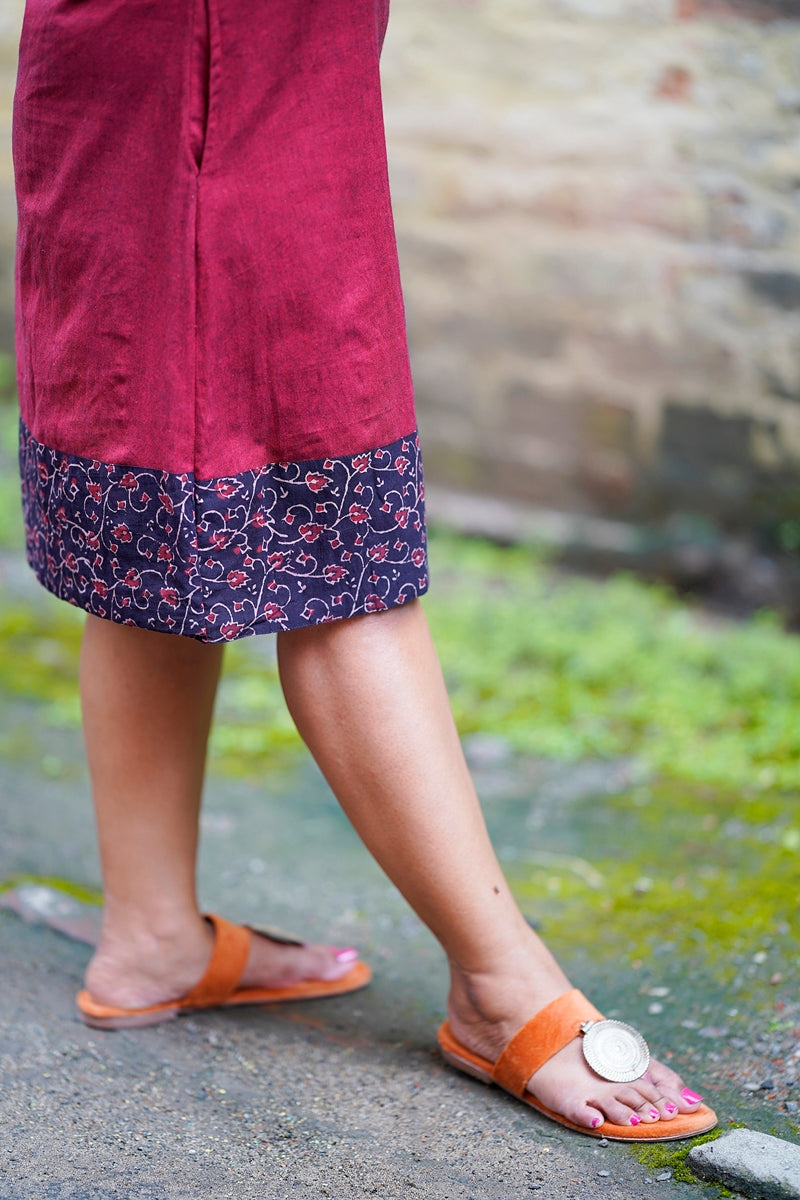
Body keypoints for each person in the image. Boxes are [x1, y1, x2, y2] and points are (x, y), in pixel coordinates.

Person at [12, 0, 714, 1142]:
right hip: (232, 56)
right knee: (322, 509)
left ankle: (149, 937)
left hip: (126, 57)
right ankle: (502, 989)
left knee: (157, 479)